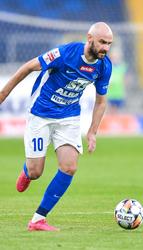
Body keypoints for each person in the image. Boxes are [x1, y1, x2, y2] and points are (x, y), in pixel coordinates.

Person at [0, 22, 113, 231]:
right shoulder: (66, 53)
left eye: (109, 44)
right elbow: (27, 67)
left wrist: (92, 132)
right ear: (90, 38)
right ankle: (27, 171)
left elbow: (101, 101)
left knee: (70, 166)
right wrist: (3, 94)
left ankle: (38, 219)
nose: (106, 48)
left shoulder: (104, 66)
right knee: (36, 172)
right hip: (40, 113)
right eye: (102, 42)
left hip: (68, 117)